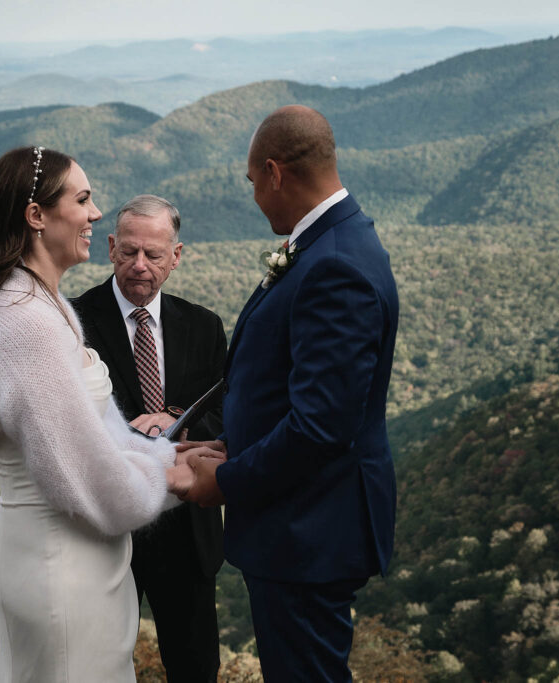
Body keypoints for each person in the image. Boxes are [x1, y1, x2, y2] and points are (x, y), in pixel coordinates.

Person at [0, 146, 194, 682]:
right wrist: (180, 479)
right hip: (60, 565)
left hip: (78, 557)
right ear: (37, 216)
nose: (96, 212)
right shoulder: (28, 323)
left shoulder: (44, 303)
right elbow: (83, 475)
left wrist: (172, 451)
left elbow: (97, 433)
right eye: (82, 199)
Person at [175, 106, 400, 681]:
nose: (254, 196)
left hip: (309, 530)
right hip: (297, 518)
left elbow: (322, 426)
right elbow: (287, 389)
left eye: (253, 182)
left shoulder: (336, 265)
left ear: (275, 172)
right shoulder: (331, 241)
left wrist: (224, 482)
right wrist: (233, 445)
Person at [70, 194, 226, 682]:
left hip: (187, 530)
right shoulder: (72, 321)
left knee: (196, 666)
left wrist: (173, 418)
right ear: (111, 247)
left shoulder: (204, 326)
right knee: (99, 663)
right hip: (108, 529)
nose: (139, 265)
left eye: (153, 255)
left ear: (176, 256)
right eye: (129, 251)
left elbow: (226, 413)